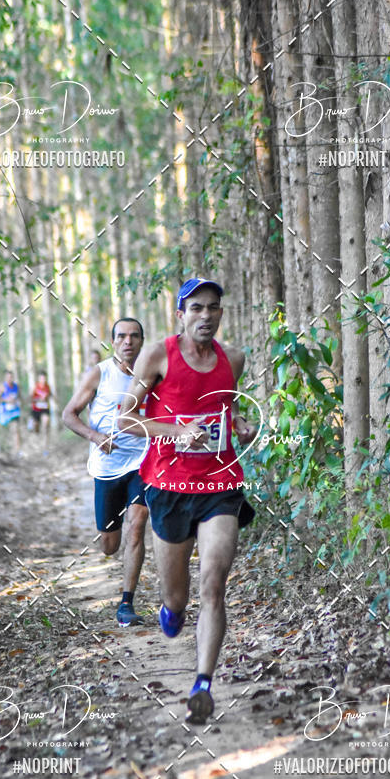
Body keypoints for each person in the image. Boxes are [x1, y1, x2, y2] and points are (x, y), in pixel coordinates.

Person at [118, 278, 256, 724]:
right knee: (176, 600)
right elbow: (124, 419)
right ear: (180, 314)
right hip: (170, 487)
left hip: (220, 485)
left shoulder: (233, 359)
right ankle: (171, 612)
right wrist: (174, 432)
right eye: (196, 308)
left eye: (213, 308)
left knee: (214, 583)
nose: (206, 316)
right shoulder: (158, 355)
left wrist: (239, 425)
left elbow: (226, 408)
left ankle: (203, 683)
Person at [62, 318, 150, 627]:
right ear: (113, 341)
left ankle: (126, 603)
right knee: (110, 546)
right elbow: (68, 414)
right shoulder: (99, 374)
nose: (128, 342)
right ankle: (108, 537)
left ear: (141, 341)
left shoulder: (152, 373)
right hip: (107, 467)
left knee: (137, 526)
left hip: (142, 462)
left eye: (134, 336)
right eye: (122, 336)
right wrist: (96, 437)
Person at [0, 370, 21, 450]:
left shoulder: (16, 386)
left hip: (14, 411)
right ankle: (4, 448)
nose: (9, 379)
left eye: (11, 377)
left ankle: (17, 449)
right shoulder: (2, 387)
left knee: (16, 429)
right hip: (5, 411)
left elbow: (19, 397)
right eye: (8, 377)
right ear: (5, 378)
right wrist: (6, 400)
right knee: (5, 431)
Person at [30, 371, 52, 445]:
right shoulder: (35, 387)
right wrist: (38, 399)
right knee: (36, 425)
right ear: (38, 379)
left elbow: (50, 395)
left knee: (46, 423)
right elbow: (30, 398)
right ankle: (36, 435)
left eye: (44, 378)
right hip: (36, 409)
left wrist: (47, 398)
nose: (43, 380)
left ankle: (46, 443)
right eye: (41, 378)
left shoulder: (47, 387)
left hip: (45, 408)